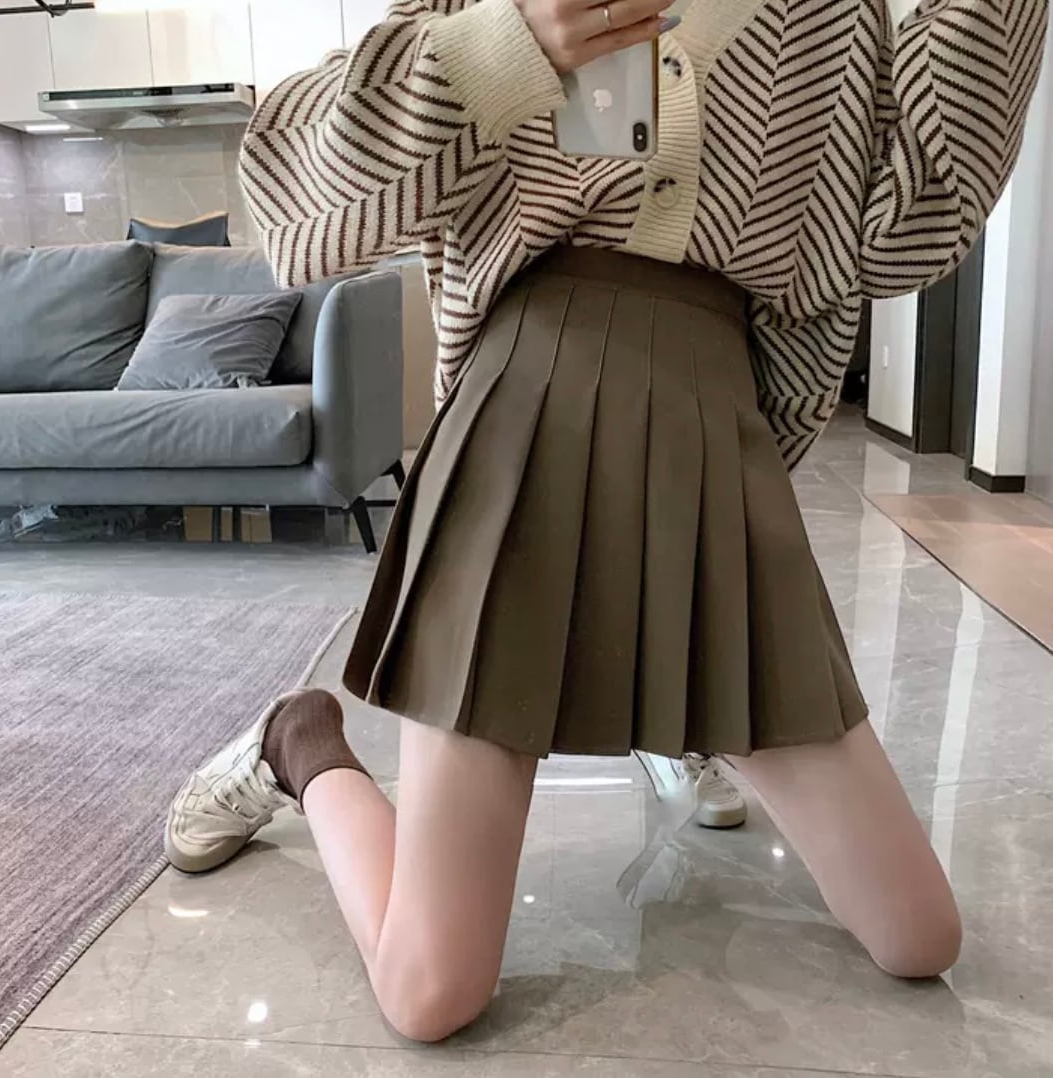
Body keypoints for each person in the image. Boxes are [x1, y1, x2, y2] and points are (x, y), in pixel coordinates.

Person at [165, 0, 1046, 1045]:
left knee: (918, 934)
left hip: (712, 434)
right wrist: (503, 49)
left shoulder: (834, 14)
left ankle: (677, 709)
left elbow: (911, 226)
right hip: (525, 415)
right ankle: (299, 744)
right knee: (431, 992)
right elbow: (298, 191)